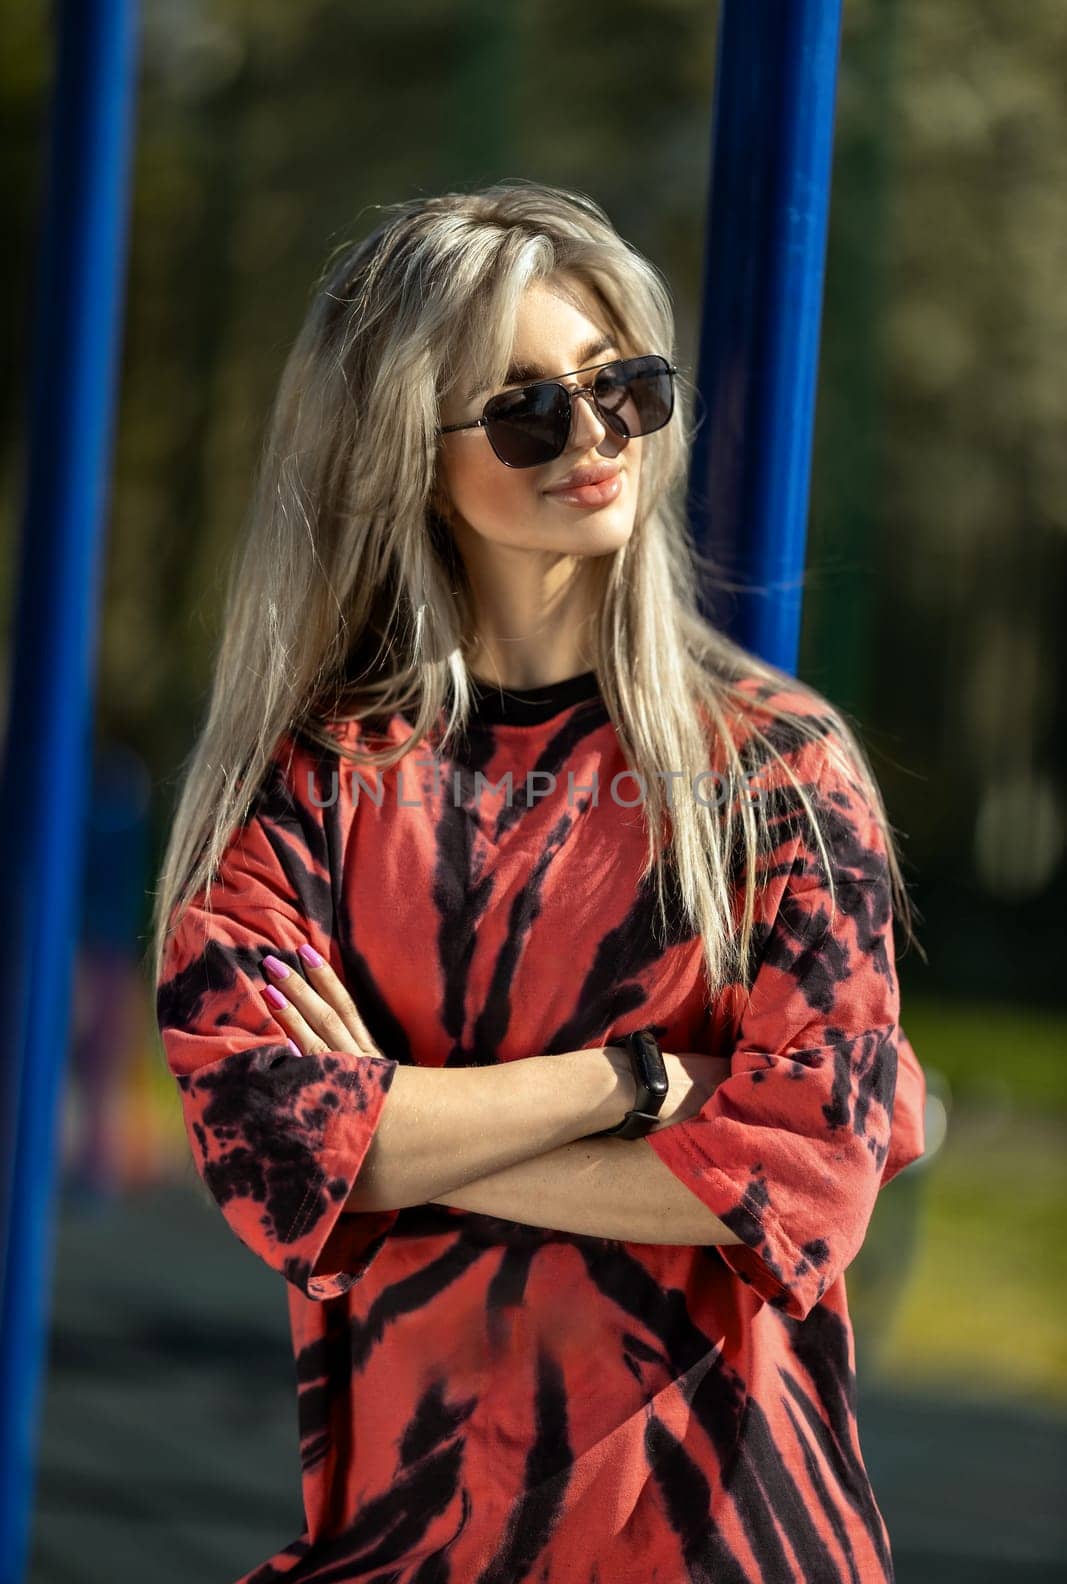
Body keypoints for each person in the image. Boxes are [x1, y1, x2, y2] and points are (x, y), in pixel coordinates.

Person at [151, 182, 927, 1584]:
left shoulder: (776, 772)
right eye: (524, 410)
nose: (593, 441)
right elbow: (268, 1149)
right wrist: (637, 1084)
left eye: (620, 387)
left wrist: (394, 1153)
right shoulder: (310, 788)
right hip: (411, 1541)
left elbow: (811, 1184)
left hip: (731, 1546)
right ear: (405, 453)